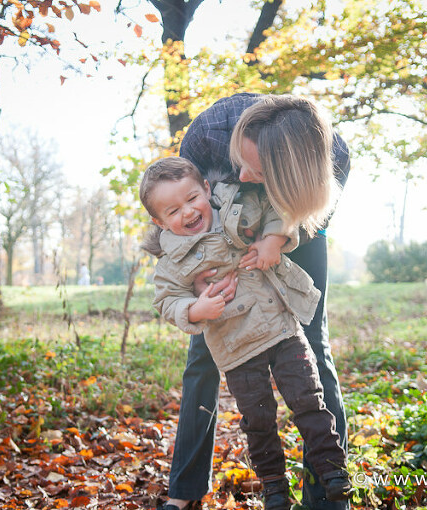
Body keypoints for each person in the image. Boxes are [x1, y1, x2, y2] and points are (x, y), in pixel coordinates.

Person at [166, 93, 351, 510]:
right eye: (241, 163)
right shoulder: (206, 138)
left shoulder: (332, 154)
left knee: (311, 341)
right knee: (205, 353)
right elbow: (180, 212)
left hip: (293, 223)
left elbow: (310, 215)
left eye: (260, 171)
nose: (246, 175)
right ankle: (185, 488)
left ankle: (327, 494)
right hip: (219, 234)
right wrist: (199, 285)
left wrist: (275, 239)